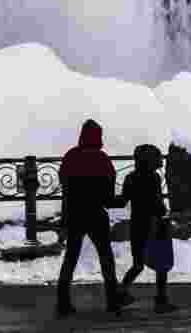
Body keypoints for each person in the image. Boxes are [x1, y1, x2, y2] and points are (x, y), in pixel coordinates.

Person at [55, 119, 123, 317]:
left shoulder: (70, 157)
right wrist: (121, 200)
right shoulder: (103, 160)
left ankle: (63, 303)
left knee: (70, 258)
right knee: (106, 258)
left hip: (74, 214)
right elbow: (108, 198)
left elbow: (65, 189)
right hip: (95, 215)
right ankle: (112, 302)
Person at [116, 143, 178, 314]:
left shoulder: (130, 177)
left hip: (137, 224)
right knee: (161, 264)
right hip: (154, 225)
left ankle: (121, 293)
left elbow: (122, 201)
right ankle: (161, 302)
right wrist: (164, 212)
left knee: (138, 264)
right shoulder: (154, 178)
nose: (160, 160)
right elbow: (157, 204)